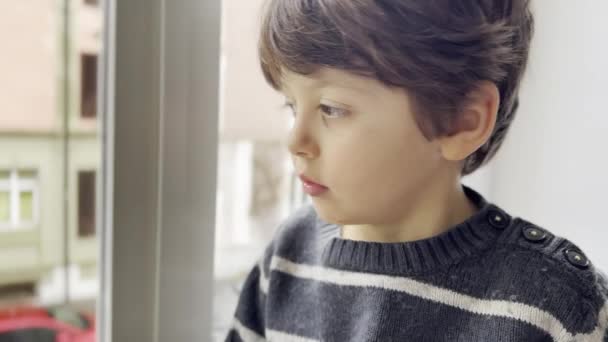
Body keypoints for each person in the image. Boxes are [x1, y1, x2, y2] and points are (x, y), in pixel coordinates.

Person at [225, 0, 608, 340]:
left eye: (332, 109)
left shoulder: (557, 306)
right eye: (292, 106)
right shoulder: (287, 257)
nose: (295, 141)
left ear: (460, 121)